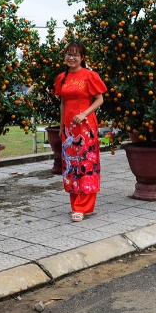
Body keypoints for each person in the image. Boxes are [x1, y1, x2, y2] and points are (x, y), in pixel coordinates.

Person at [53, 41, 106, 222]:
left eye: (75, 55)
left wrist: (84, 114)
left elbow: (99, 100)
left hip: (86, 128)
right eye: (68, 54)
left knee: (86, 165)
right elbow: (62, 103)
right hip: (69, 129)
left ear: (82, 58)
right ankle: (76, 204)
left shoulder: (89, 76)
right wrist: (61, 126)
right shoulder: (62, 78)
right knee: (70, 166)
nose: (71, 57)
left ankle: (82, 207)